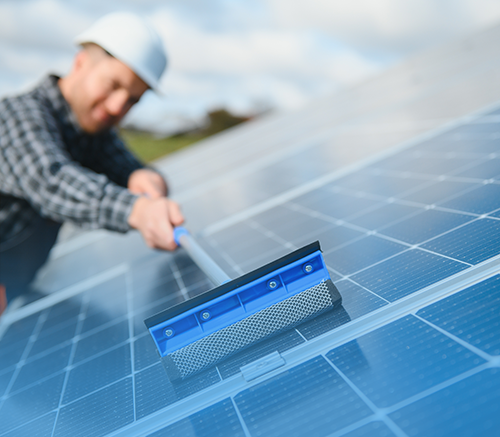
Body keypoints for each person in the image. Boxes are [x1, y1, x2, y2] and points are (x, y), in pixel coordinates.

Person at [0, 12, 184, 312]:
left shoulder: (92, 131)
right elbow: (53, 180)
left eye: (132, 100)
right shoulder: (16, 117)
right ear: (81, 63)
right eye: (113, 85)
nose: (117, 107)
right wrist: (137, 209)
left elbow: (128, 166)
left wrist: (147, 178)